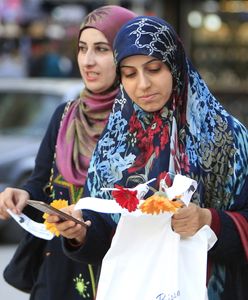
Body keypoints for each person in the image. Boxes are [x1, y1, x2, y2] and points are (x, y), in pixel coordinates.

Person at [55, 16, 248, 300]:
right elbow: (107, 236)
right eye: (130, 74)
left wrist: (208, 220)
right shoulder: (115, 141)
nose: (142, 84)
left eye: (154, 69)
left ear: (175, 67)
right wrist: (79, 232)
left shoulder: (227, 137)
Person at [0, 5, 137, 300]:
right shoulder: (66, 115)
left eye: (101, 49)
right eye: (82, 48)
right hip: (57, 269)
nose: (88, 61)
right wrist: (23, 198)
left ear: (125, 55)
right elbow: (40, 182)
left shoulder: (142, 124)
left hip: (114, 272)